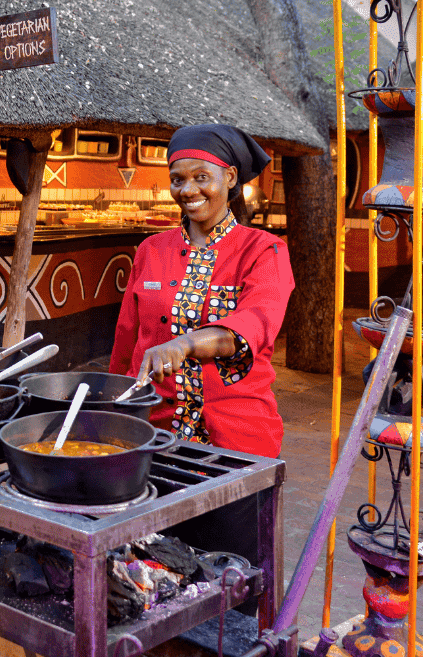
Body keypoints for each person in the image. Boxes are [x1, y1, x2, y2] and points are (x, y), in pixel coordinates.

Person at [109, 123, 294, 566]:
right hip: (155, 443)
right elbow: (126, 344)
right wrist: (113, 415)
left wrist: (187, 344)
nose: (188, 190)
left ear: (229, 178)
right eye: (177, 179)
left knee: (231, 572)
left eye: (200, 177)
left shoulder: (264, 251)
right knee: (156, 570)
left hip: (235, 448)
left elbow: (254, 323)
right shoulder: (151, 250)